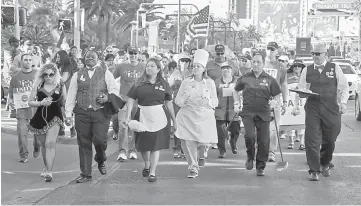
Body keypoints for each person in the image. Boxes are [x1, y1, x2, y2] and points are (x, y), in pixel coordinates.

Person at [296, 44, 349, 181]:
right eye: (313, 54)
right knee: (312, 139)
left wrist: (343, 103)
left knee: (330, 138)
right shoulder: (306, 70)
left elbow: (344, 87)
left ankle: (325, 162)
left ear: (325, 55)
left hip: (331, 109)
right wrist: (302, 94)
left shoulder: (334, 68)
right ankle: (314, 170)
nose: (314, 56)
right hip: (313, 108)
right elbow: (301, 89)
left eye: (318, 54)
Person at [65, 50, 119, 183]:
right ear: (84, 59)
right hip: (82, 112)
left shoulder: (106, 73)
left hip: (100, 112)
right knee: (83, 143)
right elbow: (71, 95)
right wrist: (68, 114)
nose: (90, 58)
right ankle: (85, 173)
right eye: (87, 56)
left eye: (93, 56)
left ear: (98, 59)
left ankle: (101, 159)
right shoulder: (77, 75)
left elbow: (114, 90)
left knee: (100, 140)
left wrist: (107, 98)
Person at [124, 58, 176, 182]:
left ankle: (152, 172)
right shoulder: (139, 84)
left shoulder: (164, 84)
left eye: (152, 66)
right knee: (143, 145)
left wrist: (175, 120)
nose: (149, 68)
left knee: (155, 146)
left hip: (159, 116)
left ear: (158, 69)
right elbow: (131, 99)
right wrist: (128, 116)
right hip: (142, 115)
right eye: (148, 66)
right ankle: (147, 164)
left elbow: (169, 103)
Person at [233, 52, 282, 176]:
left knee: (264, 141)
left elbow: (276, 94)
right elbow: (235, 90)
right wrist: (236, 103)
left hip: (264, 113)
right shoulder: (245, 78)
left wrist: (274, 103)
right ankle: (250, 157)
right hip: (248, 112)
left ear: (263, 63)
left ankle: (260, 166)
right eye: (254, 61)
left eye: (258, 62)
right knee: (249, 136)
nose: (255, 64)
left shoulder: (270, 79)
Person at [175, 49, 218, 178]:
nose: (195, 69)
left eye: (198, 66)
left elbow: (215, 101)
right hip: (188, 115)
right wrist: (184, 99)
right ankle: (193, 167)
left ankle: (203, 151)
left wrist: (208, 100)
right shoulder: (186, 82)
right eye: (194, 66)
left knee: (203, 142)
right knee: (189, 141)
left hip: (204, 115)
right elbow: (177, 100)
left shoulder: (209, 83)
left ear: (204, 69)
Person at [28, 63, 66, 182]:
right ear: (42, 75)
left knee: (50, 143)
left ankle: (49, 171)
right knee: (44, 144)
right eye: (45, 74)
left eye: (51, 74)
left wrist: (68, 116)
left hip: (55, 116)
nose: (48, 76)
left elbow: (65, 102)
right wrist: (41, 103)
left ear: (55, 74)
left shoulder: (60, 85)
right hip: (40, 116)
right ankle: (46, 166)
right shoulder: (38, 85)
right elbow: (30, 102)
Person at [112, 46, 145, 161]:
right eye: (131, 53)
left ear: (139, 54)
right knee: (123, 125)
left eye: (135, 53)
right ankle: (122, 151)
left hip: (138, 101)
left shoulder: (143, 67)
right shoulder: (121, 66)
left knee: (136, 126)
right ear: (127, 54)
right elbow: (111, 79)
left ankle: (133, 150)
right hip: (124, 100)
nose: (133, 55)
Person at [8, 53, 41, 163]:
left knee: (37, 134)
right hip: (21, 110)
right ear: (21, 62)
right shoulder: (16, 77)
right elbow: (11, 93)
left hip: (35, 110)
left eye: (29, 60)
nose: (27, 62)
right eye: (25, 60)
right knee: (22, 133)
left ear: (32, 62)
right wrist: (11, 102)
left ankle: (37, 146)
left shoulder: (38, 75)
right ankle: (23, 155)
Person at [264, 42, 288, 162]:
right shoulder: (259, 63)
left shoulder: (281, 67)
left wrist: (285, 101)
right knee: (260, 126)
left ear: (277, 51)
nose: (270, 51)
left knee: (274, 128)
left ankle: (271, 152)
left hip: (275, 99)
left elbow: (283, 84)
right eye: (268, 49)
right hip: (259, 99)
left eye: (272, 49)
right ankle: (261, 149)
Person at [168, 53, 192, 158]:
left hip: (189, 103)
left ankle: (185, 149)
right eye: (182, 61)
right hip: (177, 103)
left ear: (189, 63)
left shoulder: (192, 73)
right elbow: (169, 88)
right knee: (177, 125)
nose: (184, 63)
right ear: (179, 62)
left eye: (186, 61)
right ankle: (176, 147)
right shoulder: (175, 74)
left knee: (188, 126)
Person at [214, 62, 241, 158]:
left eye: (228, 68)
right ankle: (222, 150)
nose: (226, 71)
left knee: (235, 130)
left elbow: (242, 93)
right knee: (220, 132)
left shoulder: (237, 80)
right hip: (220, 110)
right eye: (223, 69)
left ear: (232, 70)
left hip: (233, 110)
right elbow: (213, 95)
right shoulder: (217, 82)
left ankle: (233, 143)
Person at [54, 50, 76, 137]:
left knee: (66, 111)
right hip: (60, 89)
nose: (57, 59)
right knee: (60, 110)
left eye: (59, 57)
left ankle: (71, 128)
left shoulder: (67, 66)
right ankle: (62, 128)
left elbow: (64, 79)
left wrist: (54, 78)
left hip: (66, 90)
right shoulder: (60, 66)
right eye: (57, 57)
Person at [287, 60, 306, 150]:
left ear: (302, 67)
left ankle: (302, 142)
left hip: (301, 101)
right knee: (290, 120)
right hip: (290, 101)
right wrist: (291, 80)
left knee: (301, 121)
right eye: (295, 66)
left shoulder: (305, 76)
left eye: (299, 66)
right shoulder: (288, 75)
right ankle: (291, 141)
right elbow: (282, 84)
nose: (297, 68)